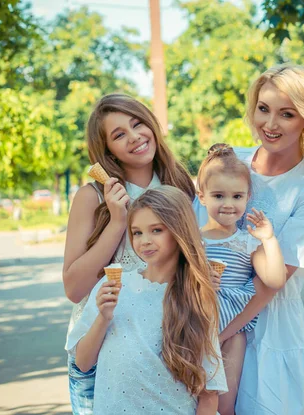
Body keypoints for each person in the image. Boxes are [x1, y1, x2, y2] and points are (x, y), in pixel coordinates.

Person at [194, 63, 304, 414]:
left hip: (269, 328)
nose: (270, 124)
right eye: (263, 109)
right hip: (204, 320)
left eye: (286, 114)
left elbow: (271, 283)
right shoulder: (228, 164)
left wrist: (217, 339)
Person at [62, 94, 195, 414]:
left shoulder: (180, 187)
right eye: (119, 134)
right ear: (107, 150)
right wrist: (118, 220)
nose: (134, 136)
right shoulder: (91, 196)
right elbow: (74, 289)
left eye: (138, 124)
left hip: (168, 348)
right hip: (103, 347)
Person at [66, 186, 228, 413]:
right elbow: (83, 363)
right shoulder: (111, 287)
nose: (144, 241)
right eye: (137, 232)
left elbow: (209, 393)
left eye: (156, 230)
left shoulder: (197, 297)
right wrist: (103, 317)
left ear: (178, 230)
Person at [196, 143, 286, 414]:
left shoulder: (247, 241)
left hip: (233, 328)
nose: (228, 204)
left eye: (237, 196)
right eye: (219, 195)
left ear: (248, 198)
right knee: (197, 394)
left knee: (225, 402)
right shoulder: (193, 239)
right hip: (197, 322)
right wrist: (199, 280)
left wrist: (269, 240)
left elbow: (275, 280)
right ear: (202, 197)